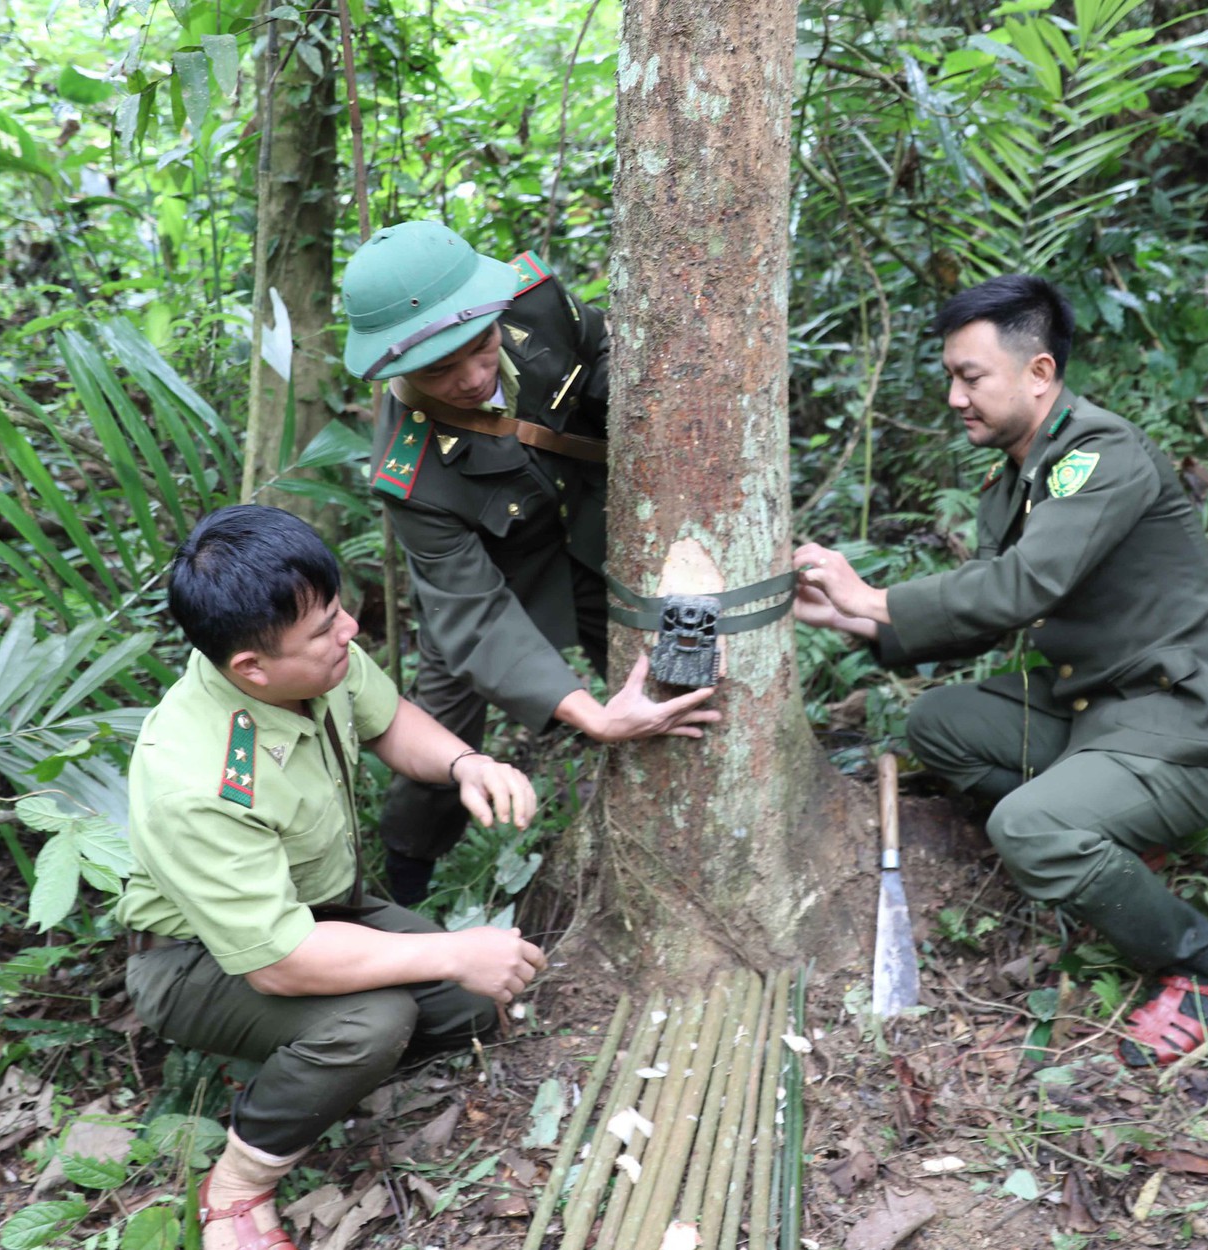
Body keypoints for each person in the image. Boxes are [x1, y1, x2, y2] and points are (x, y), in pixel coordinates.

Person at [792, 275, 1208, 1066]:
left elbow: (1027, 584)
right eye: (950, 376)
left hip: (1190, 728)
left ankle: (1197, 965)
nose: (955, 397)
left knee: (1026, 826)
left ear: (1040, 373)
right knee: (937, 725)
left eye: (971, 376)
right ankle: (1107, 836)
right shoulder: (1016, 474)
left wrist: (874, 593)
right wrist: (854, 618)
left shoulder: (1101, 454)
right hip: (1099, 709)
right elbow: (994, 612)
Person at [115, 504, 548, 1250]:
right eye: (324, 629)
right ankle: (237, 1186)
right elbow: (281, 962)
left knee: (471, 1006)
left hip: (321, 914)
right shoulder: (195, 775)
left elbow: (387, 721)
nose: (348, 630)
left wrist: (465, 763)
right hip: (199, 958)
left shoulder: (312, 660)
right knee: (374, 1022)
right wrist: (452, 950)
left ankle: (304, 1061)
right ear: (251, 667)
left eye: (338, 609)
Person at [339, 220, 720, 904]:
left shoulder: (534, 299)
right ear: (396, 368)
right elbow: (476, 617)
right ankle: (407, 878)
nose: (473, 377)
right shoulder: (410, 475)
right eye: (438, 370)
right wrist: (590, 716)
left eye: (481, 348)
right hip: (503, 574)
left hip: (601, 533)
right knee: (444, 730)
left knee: (667, 672)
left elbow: (600, 350)